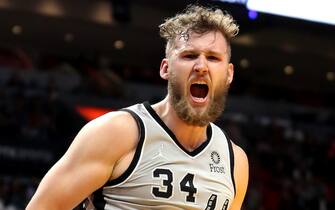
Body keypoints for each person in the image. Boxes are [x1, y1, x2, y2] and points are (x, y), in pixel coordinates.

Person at [26, 5, 248, 210]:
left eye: (212, 57)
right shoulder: (118, 132)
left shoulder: (235, 161)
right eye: (189, 56)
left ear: (229, 73)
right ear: (166, 68)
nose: (201, 66)